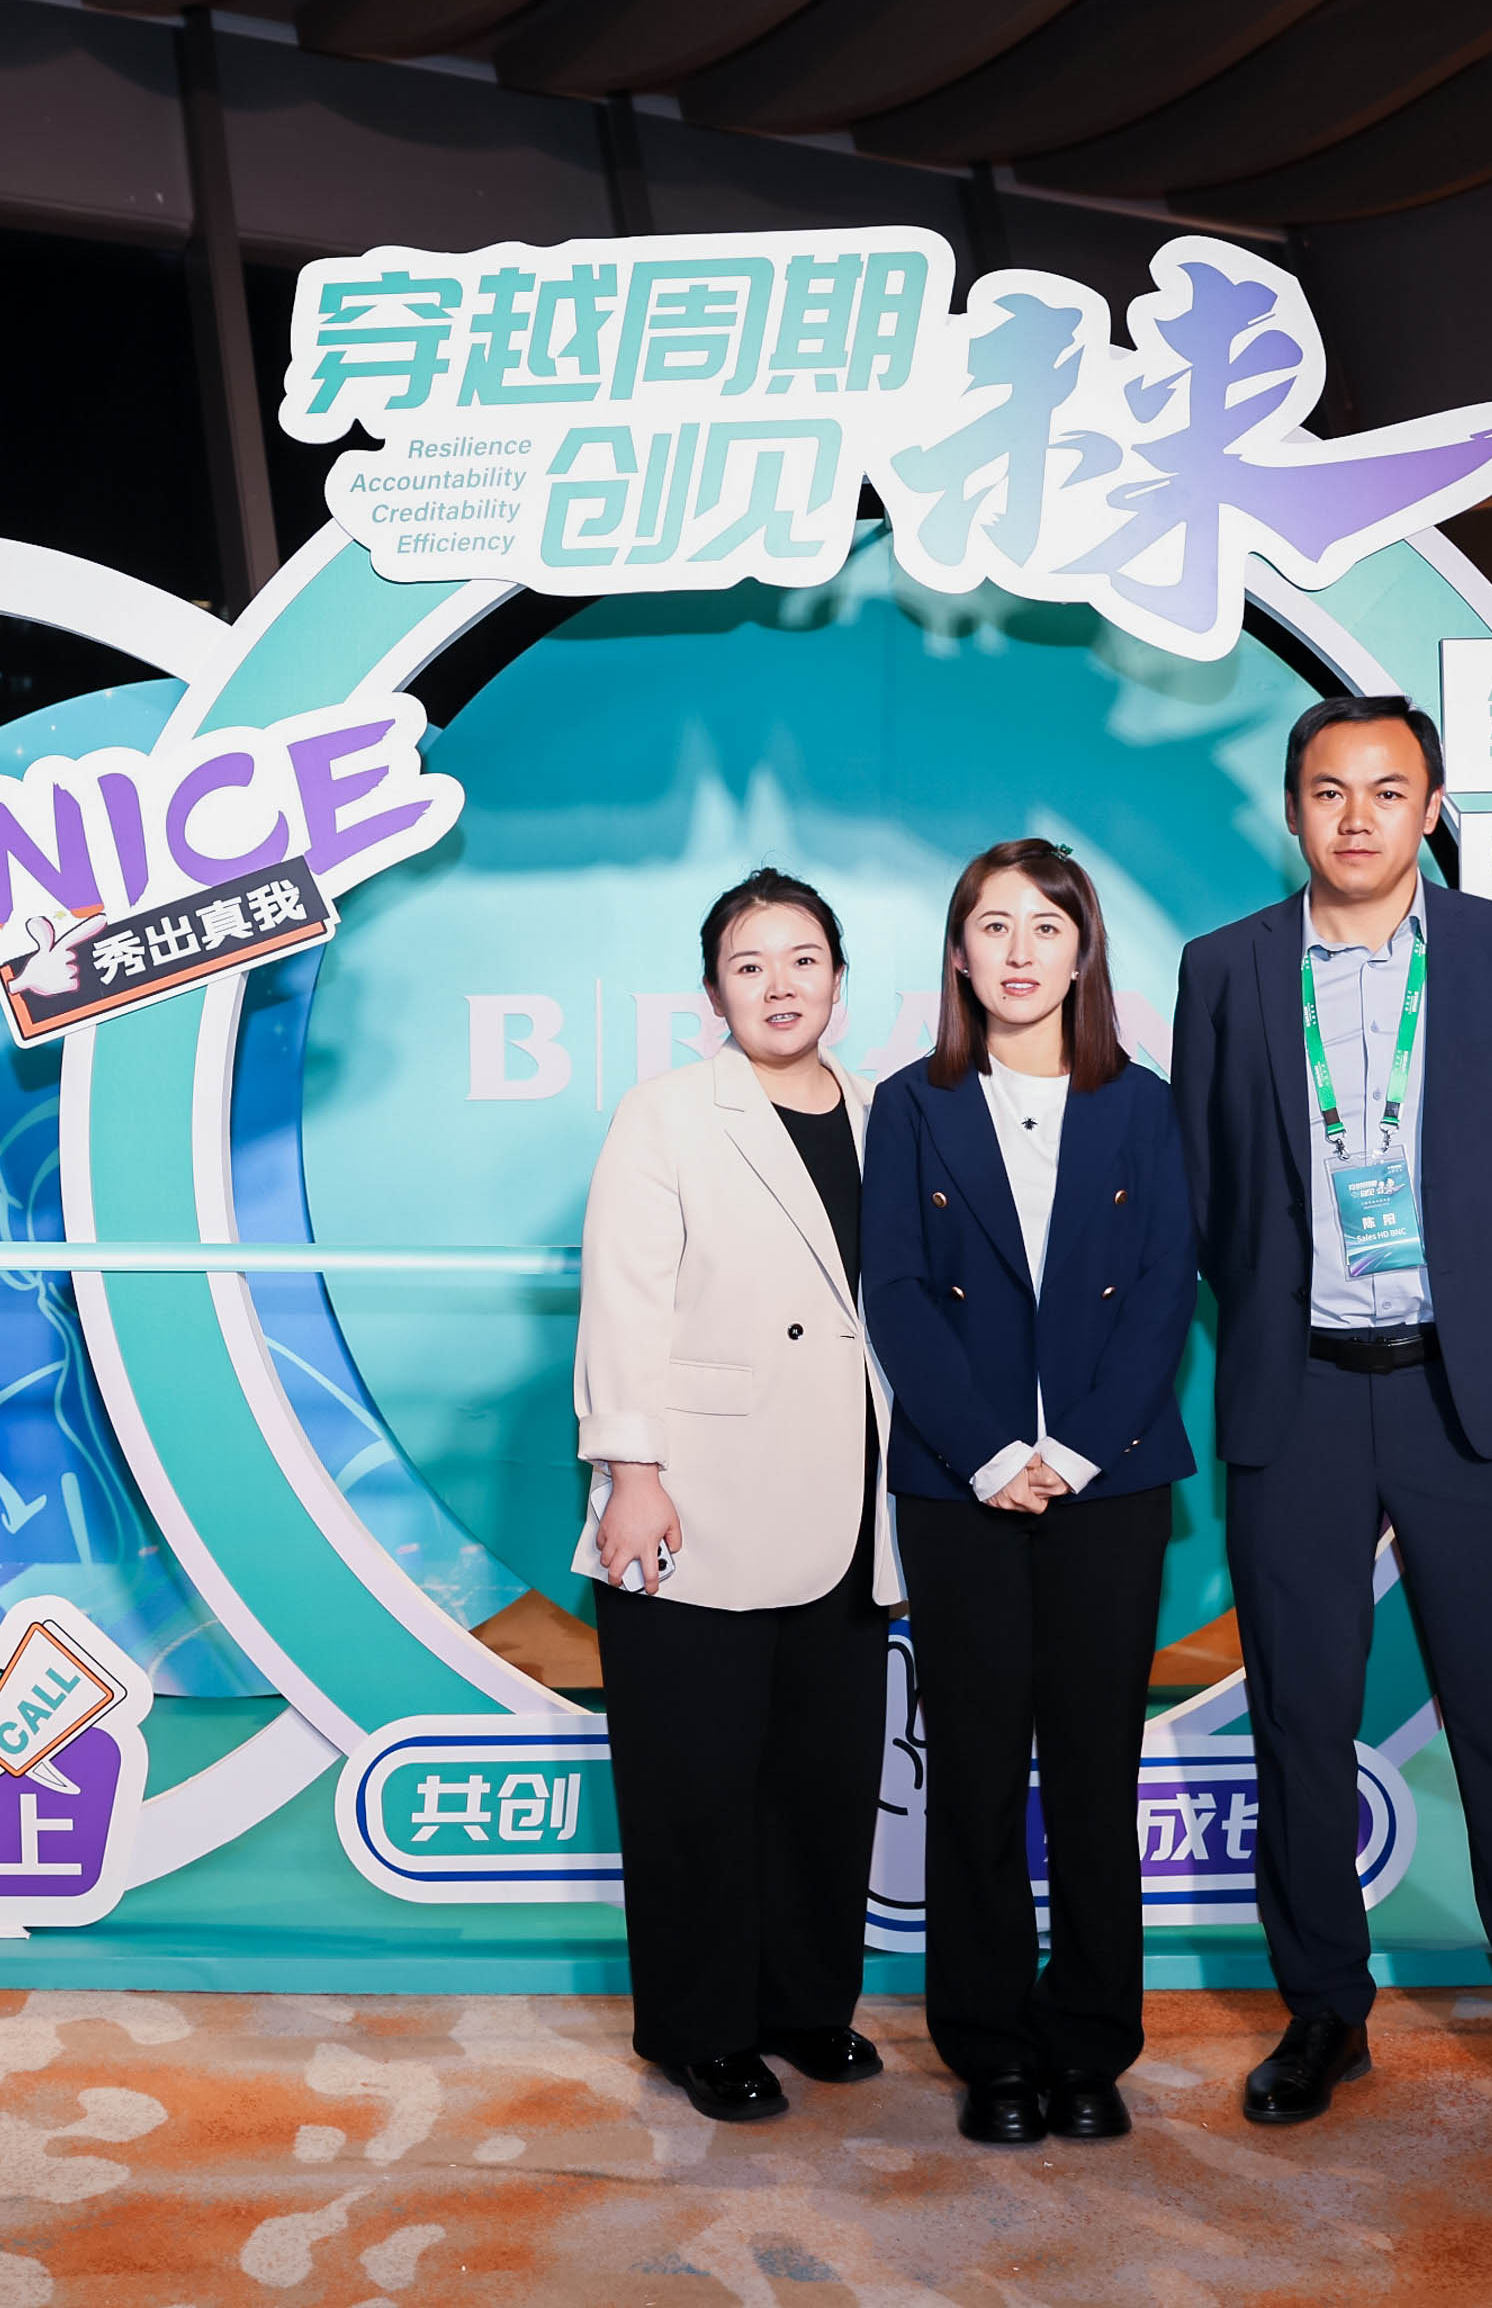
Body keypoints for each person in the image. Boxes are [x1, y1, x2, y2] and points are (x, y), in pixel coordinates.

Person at [1171, 697, 1492, 2164]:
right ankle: (1322, 2014)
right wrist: (1276, 1323)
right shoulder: (1225, 969)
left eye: (1388, 790)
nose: (1357, 818)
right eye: (1330, 791)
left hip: (1461, 1394)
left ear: (1432, 807)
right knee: (1300, 1718)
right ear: (1294, 810)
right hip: (1299, 1394)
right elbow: (1207, 1187)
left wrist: (1491, 1345)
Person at [864, 840, 1196, 2148]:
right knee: (979, 1772)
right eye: (992, 926)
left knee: (1099, 1773)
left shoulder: (1144, 1105)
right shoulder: (912, 1105)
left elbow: (1167, 1286)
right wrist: (994, 1454)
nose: (1018, 951)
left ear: (1082, 951)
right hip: (963, 1491)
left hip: (1111, 1489)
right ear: (959, 955)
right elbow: (897, 1292)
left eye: (1045, 927)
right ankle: (992, 2049)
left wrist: (1086, 1448)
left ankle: (1092, 2046)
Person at [575, 867, 902, 2125]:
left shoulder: (886, 1112)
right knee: (694, 1779)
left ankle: (807, 2005)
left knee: (826, 1775)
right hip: (696, 1496)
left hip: (853, 1501)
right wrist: (632, 1473)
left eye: (803, 959)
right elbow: (624, 1299)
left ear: (839, 979)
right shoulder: (666, 1113)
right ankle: (702, 2030)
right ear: (714, 991)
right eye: (750, 964)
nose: (780, 984)